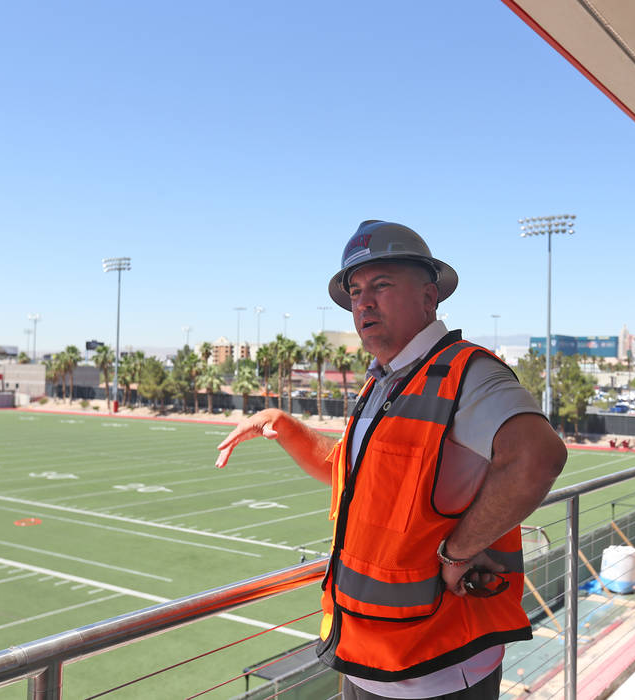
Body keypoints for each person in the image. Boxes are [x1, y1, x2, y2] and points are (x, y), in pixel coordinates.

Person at [216, 220, 567, 699]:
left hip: (438, 667)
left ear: (429, 297)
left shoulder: (466, 372)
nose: (363, 302)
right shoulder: (386, 382)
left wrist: (458, 551)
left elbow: (537, 458)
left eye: (381, 285)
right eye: (356, 290)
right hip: (369, 655)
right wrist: (286, 427)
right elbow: (353, 478)